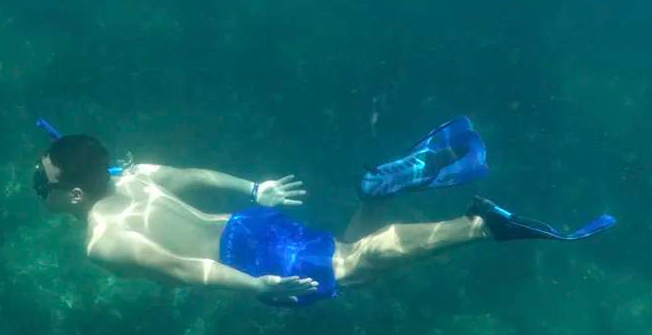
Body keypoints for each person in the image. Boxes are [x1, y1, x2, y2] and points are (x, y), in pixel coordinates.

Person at [32, 129, 614, 308]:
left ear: (76, 197)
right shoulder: (132, 174)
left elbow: (186, 269)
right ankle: (376, 194)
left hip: (243, 259)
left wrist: (257, 284)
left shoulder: (102, 240)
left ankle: (480, 226)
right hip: (247, 226)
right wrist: (254, 188)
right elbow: (200, 178)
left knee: (354, 267)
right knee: (343, 248)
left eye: (46, 185)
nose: (41, 190)